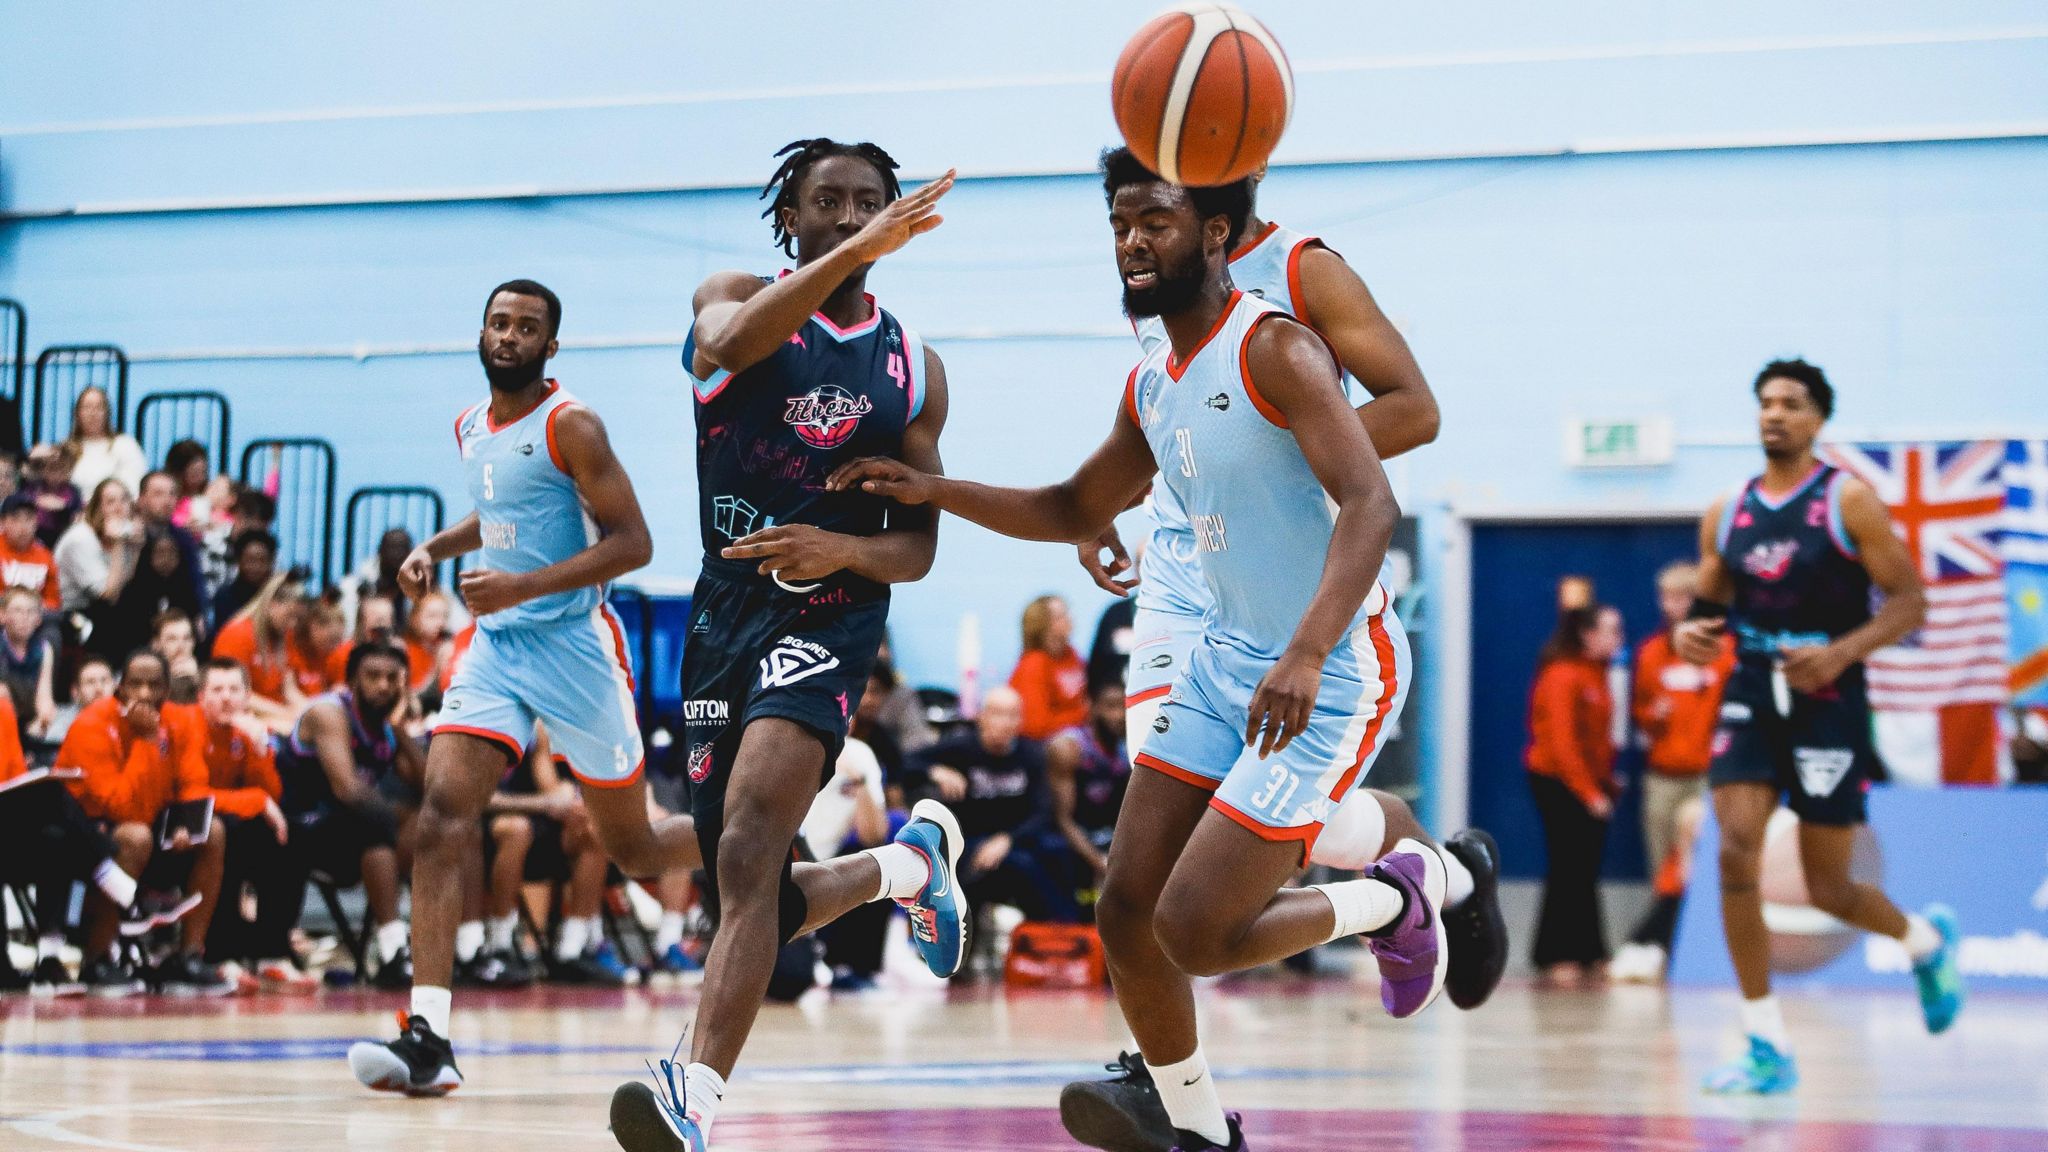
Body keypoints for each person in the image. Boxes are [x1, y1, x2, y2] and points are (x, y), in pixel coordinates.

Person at [830, 149, 1453, 1152]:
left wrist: (1302, 651)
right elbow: (1075, 506)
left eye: (1153, 221)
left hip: (1329, 669)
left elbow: (1372, 504)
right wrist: (932, 489)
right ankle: (1198, 1128)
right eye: (1119, 222)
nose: (1129, 240)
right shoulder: (1151, 382)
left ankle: (1388, 900)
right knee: (1124, 907)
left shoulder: (1276, 348)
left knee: (1196, 931)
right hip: (1221, 661)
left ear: (1213, 235)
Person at [1054, 155, 1504, 1151]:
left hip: (1272, 579)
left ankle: (1409, 889)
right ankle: (1187, 1107)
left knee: (1196, 880)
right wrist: (1123, 493)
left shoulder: (1299, 272)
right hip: (1178, 580)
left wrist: (1271, 455)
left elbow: (1412, 411)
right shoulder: (1151, 270)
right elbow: (1172, 421)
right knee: (1149, 871)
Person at [606, 144, 969, 1152]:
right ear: (790, 221)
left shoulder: (913, 363)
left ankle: (692, 1095)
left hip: (831, 609)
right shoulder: (729, 295)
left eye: (868, 203)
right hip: (725, 611)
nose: (850, 216)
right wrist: (852, 248)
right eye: (828, 203)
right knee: (742, 887)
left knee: (752, 837)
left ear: (896, 221)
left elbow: (917, 548)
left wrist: (834, 547)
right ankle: (901, 867)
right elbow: (728, 343)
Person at [347, 278, 711, 1100]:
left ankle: (746, 840)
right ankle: (427, 1036)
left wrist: (521, 587)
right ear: (480, 334)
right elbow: (499, 508)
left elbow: (633, 542)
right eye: (497, 322)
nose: (508, 336)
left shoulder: (572, 424)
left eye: (526, 328)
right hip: (496, 649)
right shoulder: (471, 424)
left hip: (577, 648)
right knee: (443, 815)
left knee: (635, 847)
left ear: (551, 346)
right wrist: (437, 546)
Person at [1678, 358, 1963, 1094]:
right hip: (1751, 687)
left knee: (1828, 888)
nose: (1774, 414)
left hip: (1827, 699)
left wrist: (1838, 654)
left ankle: (1924, 943)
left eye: (1792, 404)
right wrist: (1692, 635)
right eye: (1765, 402)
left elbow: (1909, 604)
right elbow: (1707, 607)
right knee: (1735, 852)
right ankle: (1765, 1041)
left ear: (1818, 421)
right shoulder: (1728, 508)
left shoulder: (1850, 502)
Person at [57, 650, 234, 996]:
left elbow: (193, 784)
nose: (144, 693)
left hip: (153, 826)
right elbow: (122, 807)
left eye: (154, 685)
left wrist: (186, 823)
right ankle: (96, 959)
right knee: (134, 836)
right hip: (91, 841)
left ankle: (189, 956)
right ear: (120, 689)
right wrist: (146, 740)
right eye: (135, 684)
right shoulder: (92, 724)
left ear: (167, 690)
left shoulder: (180, 721)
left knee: (212, 831)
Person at [277, 641, 423, 990]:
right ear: (352, 681)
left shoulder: (386, 729)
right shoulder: (329, 713)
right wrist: (391, 820)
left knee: (427, 821)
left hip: (351, 836)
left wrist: (400, 729)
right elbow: (347, 789)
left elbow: (428, 783)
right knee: (376, 825)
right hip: (298, 831)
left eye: (393, 678)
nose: (383, 686)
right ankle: (392, 949)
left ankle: (438, 943)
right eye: (373, 677)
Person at [0, 687, 142, 996]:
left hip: (6, 831)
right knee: (53, 799)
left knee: (56, 836)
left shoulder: (3, 708)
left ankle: (49, 959)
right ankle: (108, 873)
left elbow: (14, 775)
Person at [903, 686, 1075, 925]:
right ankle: (1052, 930)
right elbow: (903, 762)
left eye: (1012, 715)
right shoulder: (961, 747)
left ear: (1020, 720)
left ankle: (1069, 934)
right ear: (981, 717)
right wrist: (935, 771)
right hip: (968, 840)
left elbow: (1043, 812)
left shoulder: (1032, 754)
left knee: (1058, 851)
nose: (1004, 722)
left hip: (1013, 838)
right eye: (997, 714)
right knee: (1022, 864)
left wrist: (1007, 839)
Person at [194, 658, 313, 991]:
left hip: (231, 821)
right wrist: (257, 802)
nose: (227, 698)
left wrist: (259, 747)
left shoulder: (245, 732)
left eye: (235, 689)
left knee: (291, 836)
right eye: (217, 690)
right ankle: (219, 954)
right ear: (201, 696)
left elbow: (272, 794)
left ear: (248, 697)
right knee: (225, 832)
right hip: (188, 830)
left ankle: (271, 952)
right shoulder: (188, 726)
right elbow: (193, 794)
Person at [1524, 603, 1624, 987]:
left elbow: (1596, 741)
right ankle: (1556, 953)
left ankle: (1589, 951)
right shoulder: (1563, 675)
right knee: (1568, 867)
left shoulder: (1595, 674)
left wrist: (1606, 784)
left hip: (1587, 784)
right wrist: (1588, 793)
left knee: (1584, 870)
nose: (1618, 639)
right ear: (1587, 633)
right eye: (1611, 630)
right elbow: (1563, 744)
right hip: (1558, 782)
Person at [1629, 562, 1733, 911]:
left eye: (1679, 597)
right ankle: (1662, 939)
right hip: (1663, 776)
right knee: (1661, 868)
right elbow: (1640, 714)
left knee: (1708, 866)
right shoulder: (1650, 653)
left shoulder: (1726, 652)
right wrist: (1651, 715)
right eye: (1665, 597)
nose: (1669, 606)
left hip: (1711, 777)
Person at [1045, 680, 1133, 901]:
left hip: (1106, 833)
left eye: (1124, 706)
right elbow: (1063, 820)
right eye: (1111, 706)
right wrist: (1100, 862)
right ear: (1091, 706)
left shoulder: (1127, 749)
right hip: (1069, 836)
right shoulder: (1069, 748)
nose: (1120, 715)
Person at [212, 572, 310, 728]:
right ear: (272, 604)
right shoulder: (237, 634)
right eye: (290, 615)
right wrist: (287, 714)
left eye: (297, 619)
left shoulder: (285, 636)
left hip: (277, 716)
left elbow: (289, 689)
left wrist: (312, 711)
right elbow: (237, 695)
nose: (293, 624)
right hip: (242, 717)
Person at [104, 527, 203, 662]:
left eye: (171, 553)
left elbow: (197, 631)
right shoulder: (134, 591)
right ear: (149, 556)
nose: (166, 559)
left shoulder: (187, 590)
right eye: (160, 553)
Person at [54, 478, 142, 631]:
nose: (118, 507)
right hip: (68, 612)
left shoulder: (122, 532)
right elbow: (109, 596)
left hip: (95, 608)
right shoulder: (80, 539)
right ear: (97, 508)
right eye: (110, 502)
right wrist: (118, 544)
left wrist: (136, 548)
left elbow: (125, 583)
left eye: (124, 500)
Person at [1010, 594, 1090, 740]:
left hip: (1079, 731)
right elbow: (1036, 726)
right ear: (1043, 625)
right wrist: (1084, 713)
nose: (1070, 619)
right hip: (1046, 742)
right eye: (1061, 616)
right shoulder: (1033, 664)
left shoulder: (1071, 655)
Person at [64, 386, 147, 498]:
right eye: (87, 407)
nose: (93, 413)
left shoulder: (125, 445)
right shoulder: (66, 448)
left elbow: (134, 486)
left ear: (107, 413)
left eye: (99, 407)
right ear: (77, 413)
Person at [0, 587, 57, 742]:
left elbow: (44, 695)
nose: (25, 617)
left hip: (28, 719)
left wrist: (43, 717)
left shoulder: (44, 649)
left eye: (31, 611)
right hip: (4, 719)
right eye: (17, 610)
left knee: (49, 716)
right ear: (2, 615)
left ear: (38, 619)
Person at [0, 490, 62, 610]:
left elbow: (54, 602)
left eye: (29, 519)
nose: (23, 526)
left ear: (36, 522)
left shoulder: (45, 556)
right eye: (15, 519)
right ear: (2, 522)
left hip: (36, 618)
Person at [211, 530, 277, 632]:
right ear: (238, 561)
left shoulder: (279, 597)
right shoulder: (224, 597)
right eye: (250, 560)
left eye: (262, 560)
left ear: (272, 562)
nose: (256, 567)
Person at [22, 441, 84, 548]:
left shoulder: (73, 491)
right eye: (51, 468)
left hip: (61, 540)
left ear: (69, 470)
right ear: (43, 469)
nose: (56, 474)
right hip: (33, 538)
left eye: (61, 468)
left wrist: (63, 508)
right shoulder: (32, 487)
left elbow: (75, 517)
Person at [152, 609, 203, 704]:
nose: (181, 646)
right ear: (156, 644)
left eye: (187, 638)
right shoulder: (148, 678)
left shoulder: (206, 677)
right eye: (172, 639)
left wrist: (197, 680)